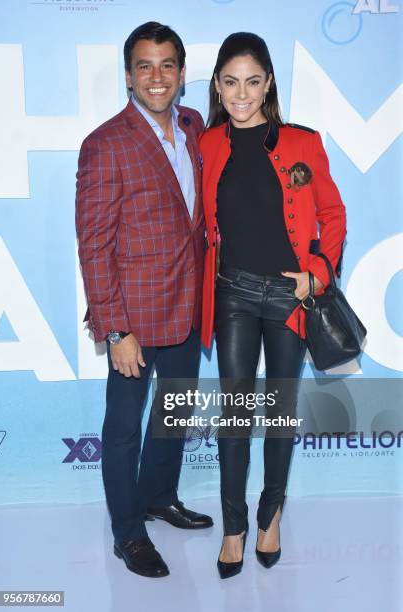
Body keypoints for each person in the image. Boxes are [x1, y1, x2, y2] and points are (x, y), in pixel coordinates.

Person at [200, 32, 346, 579]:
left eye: (253, 81)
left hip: (290, 297)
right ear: (217, 84)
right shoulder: (208, 144)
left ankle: (271, 518)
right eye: (231, 82)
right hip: (233, 293)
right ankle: (233, 527)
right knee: (235, 417)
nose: (242, 94)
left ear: (269, 84)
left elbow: (334, 215)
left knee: (279, 415)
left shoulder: (304, 143)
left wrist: (318, 273)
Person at [75, 21, 213, 579]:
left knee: (173, 414)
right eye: (144, 66)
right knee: (124, 428)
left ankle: (160, 496)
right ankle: (128, 534)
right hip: (132, 316)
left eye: (166, 66)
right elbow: (94, 243)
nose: (156, 77)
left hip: (188, 305)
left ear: (181, 74)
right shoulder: (106, 143)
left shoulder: (194, 124)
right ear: (129, 76)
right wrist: (114, 328)